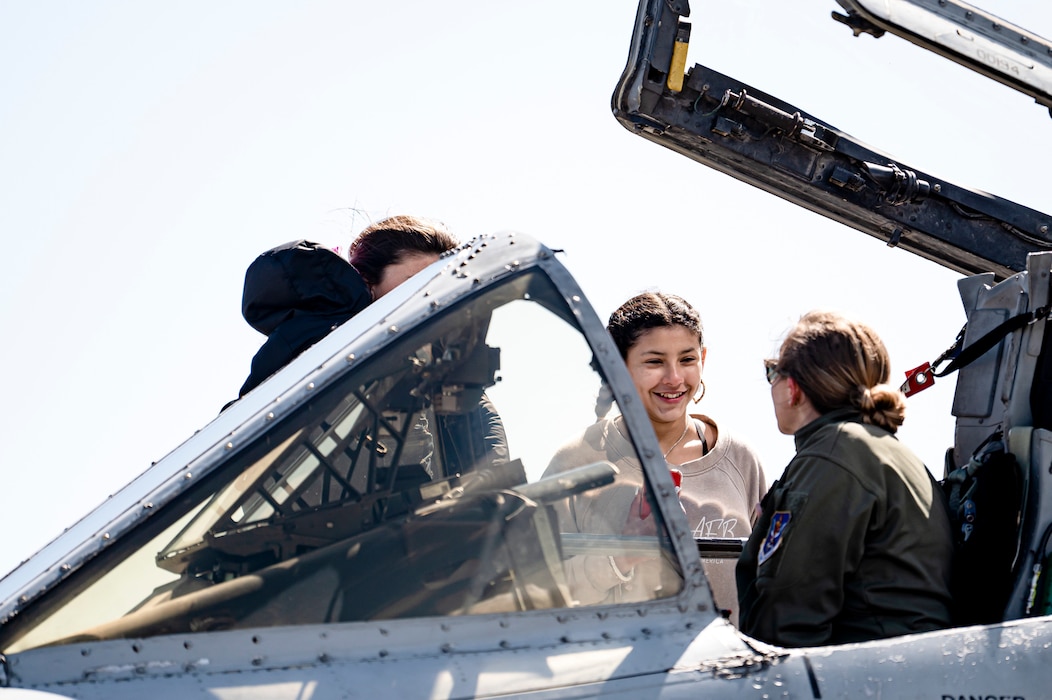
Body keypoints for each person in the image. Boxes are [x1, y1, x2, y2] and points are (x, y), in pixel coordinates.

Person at [544, 292, 767, 623]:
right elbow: (536, 593)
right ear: (617, 366)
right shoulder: (577, 461)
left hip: (727, 669)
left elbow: (770, 581)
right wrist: (621, 556)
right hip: (621, 673)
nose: (674, 378)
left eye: (687, 360)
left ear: (703, 358)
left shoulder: (740, 459)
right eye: (654, 361)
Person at [736, 310, 954, 647]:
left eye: (772, 372)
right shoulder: (887, 452)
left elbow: (788, 619)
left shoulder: (831, 457)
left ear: (793, 388)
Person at [236, 215, 459, 397]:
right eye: (415, 283)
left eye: (440, 286)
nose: (429, 296)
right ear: (368, 279)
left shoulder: (436, 355)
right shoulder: (329, 339)